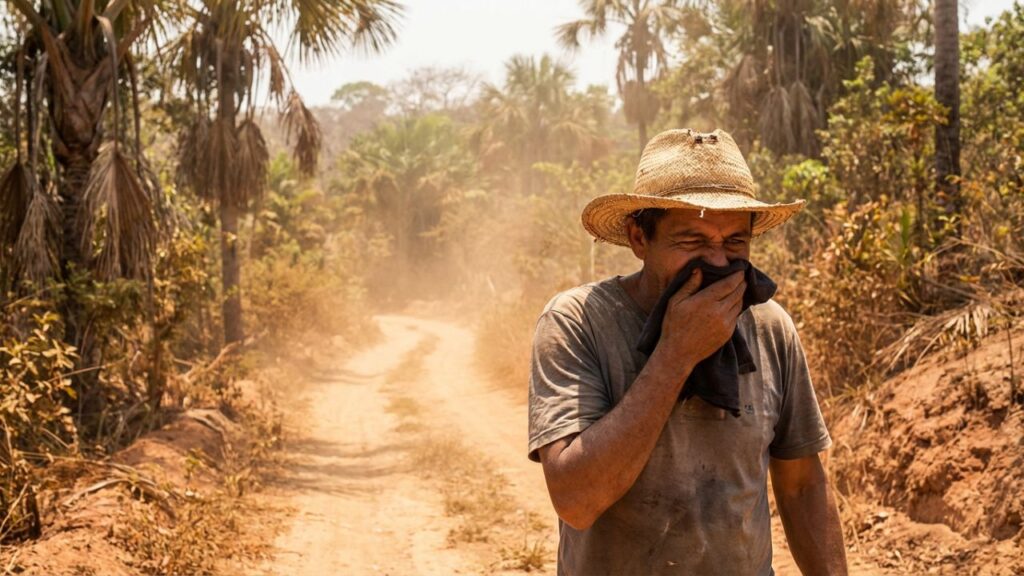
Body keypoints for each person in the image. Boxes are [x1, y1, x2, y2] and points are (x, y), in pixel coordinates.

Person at [528, 129, 848, 575]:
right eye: (692, 241)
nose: (718, 262)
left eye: (735, 241)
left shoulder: (769, 327)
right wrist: (676, 353)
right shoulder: (578, 323)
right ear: (639, 237)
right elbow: (577, 502)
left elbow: (801, 487)